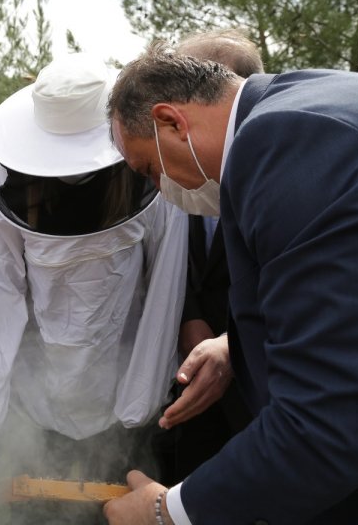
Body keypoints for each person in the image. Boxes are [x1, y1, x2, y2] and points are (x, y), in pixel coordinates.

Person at [104, 43, 358, 525]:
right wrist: (237, 344)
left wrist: (167, 512)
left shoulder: (283, 142)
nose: (161, 188)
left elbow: (330, 425)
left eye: (150, 169)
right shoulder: (313, 97)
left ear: (171, 122)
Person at [0, 54, 187, 478]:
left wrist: (141, 397)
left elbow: (166, 288)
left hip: (122, 379)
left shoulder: (149, 175)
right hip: (35, 391)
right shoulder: (10, 185)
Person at [159, 30, 258, 482]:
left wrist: (233, 343)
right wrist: (188, 315)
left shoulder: (275, 173)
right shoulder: (165, 162)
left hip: (256, 386)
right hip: (184, 378)